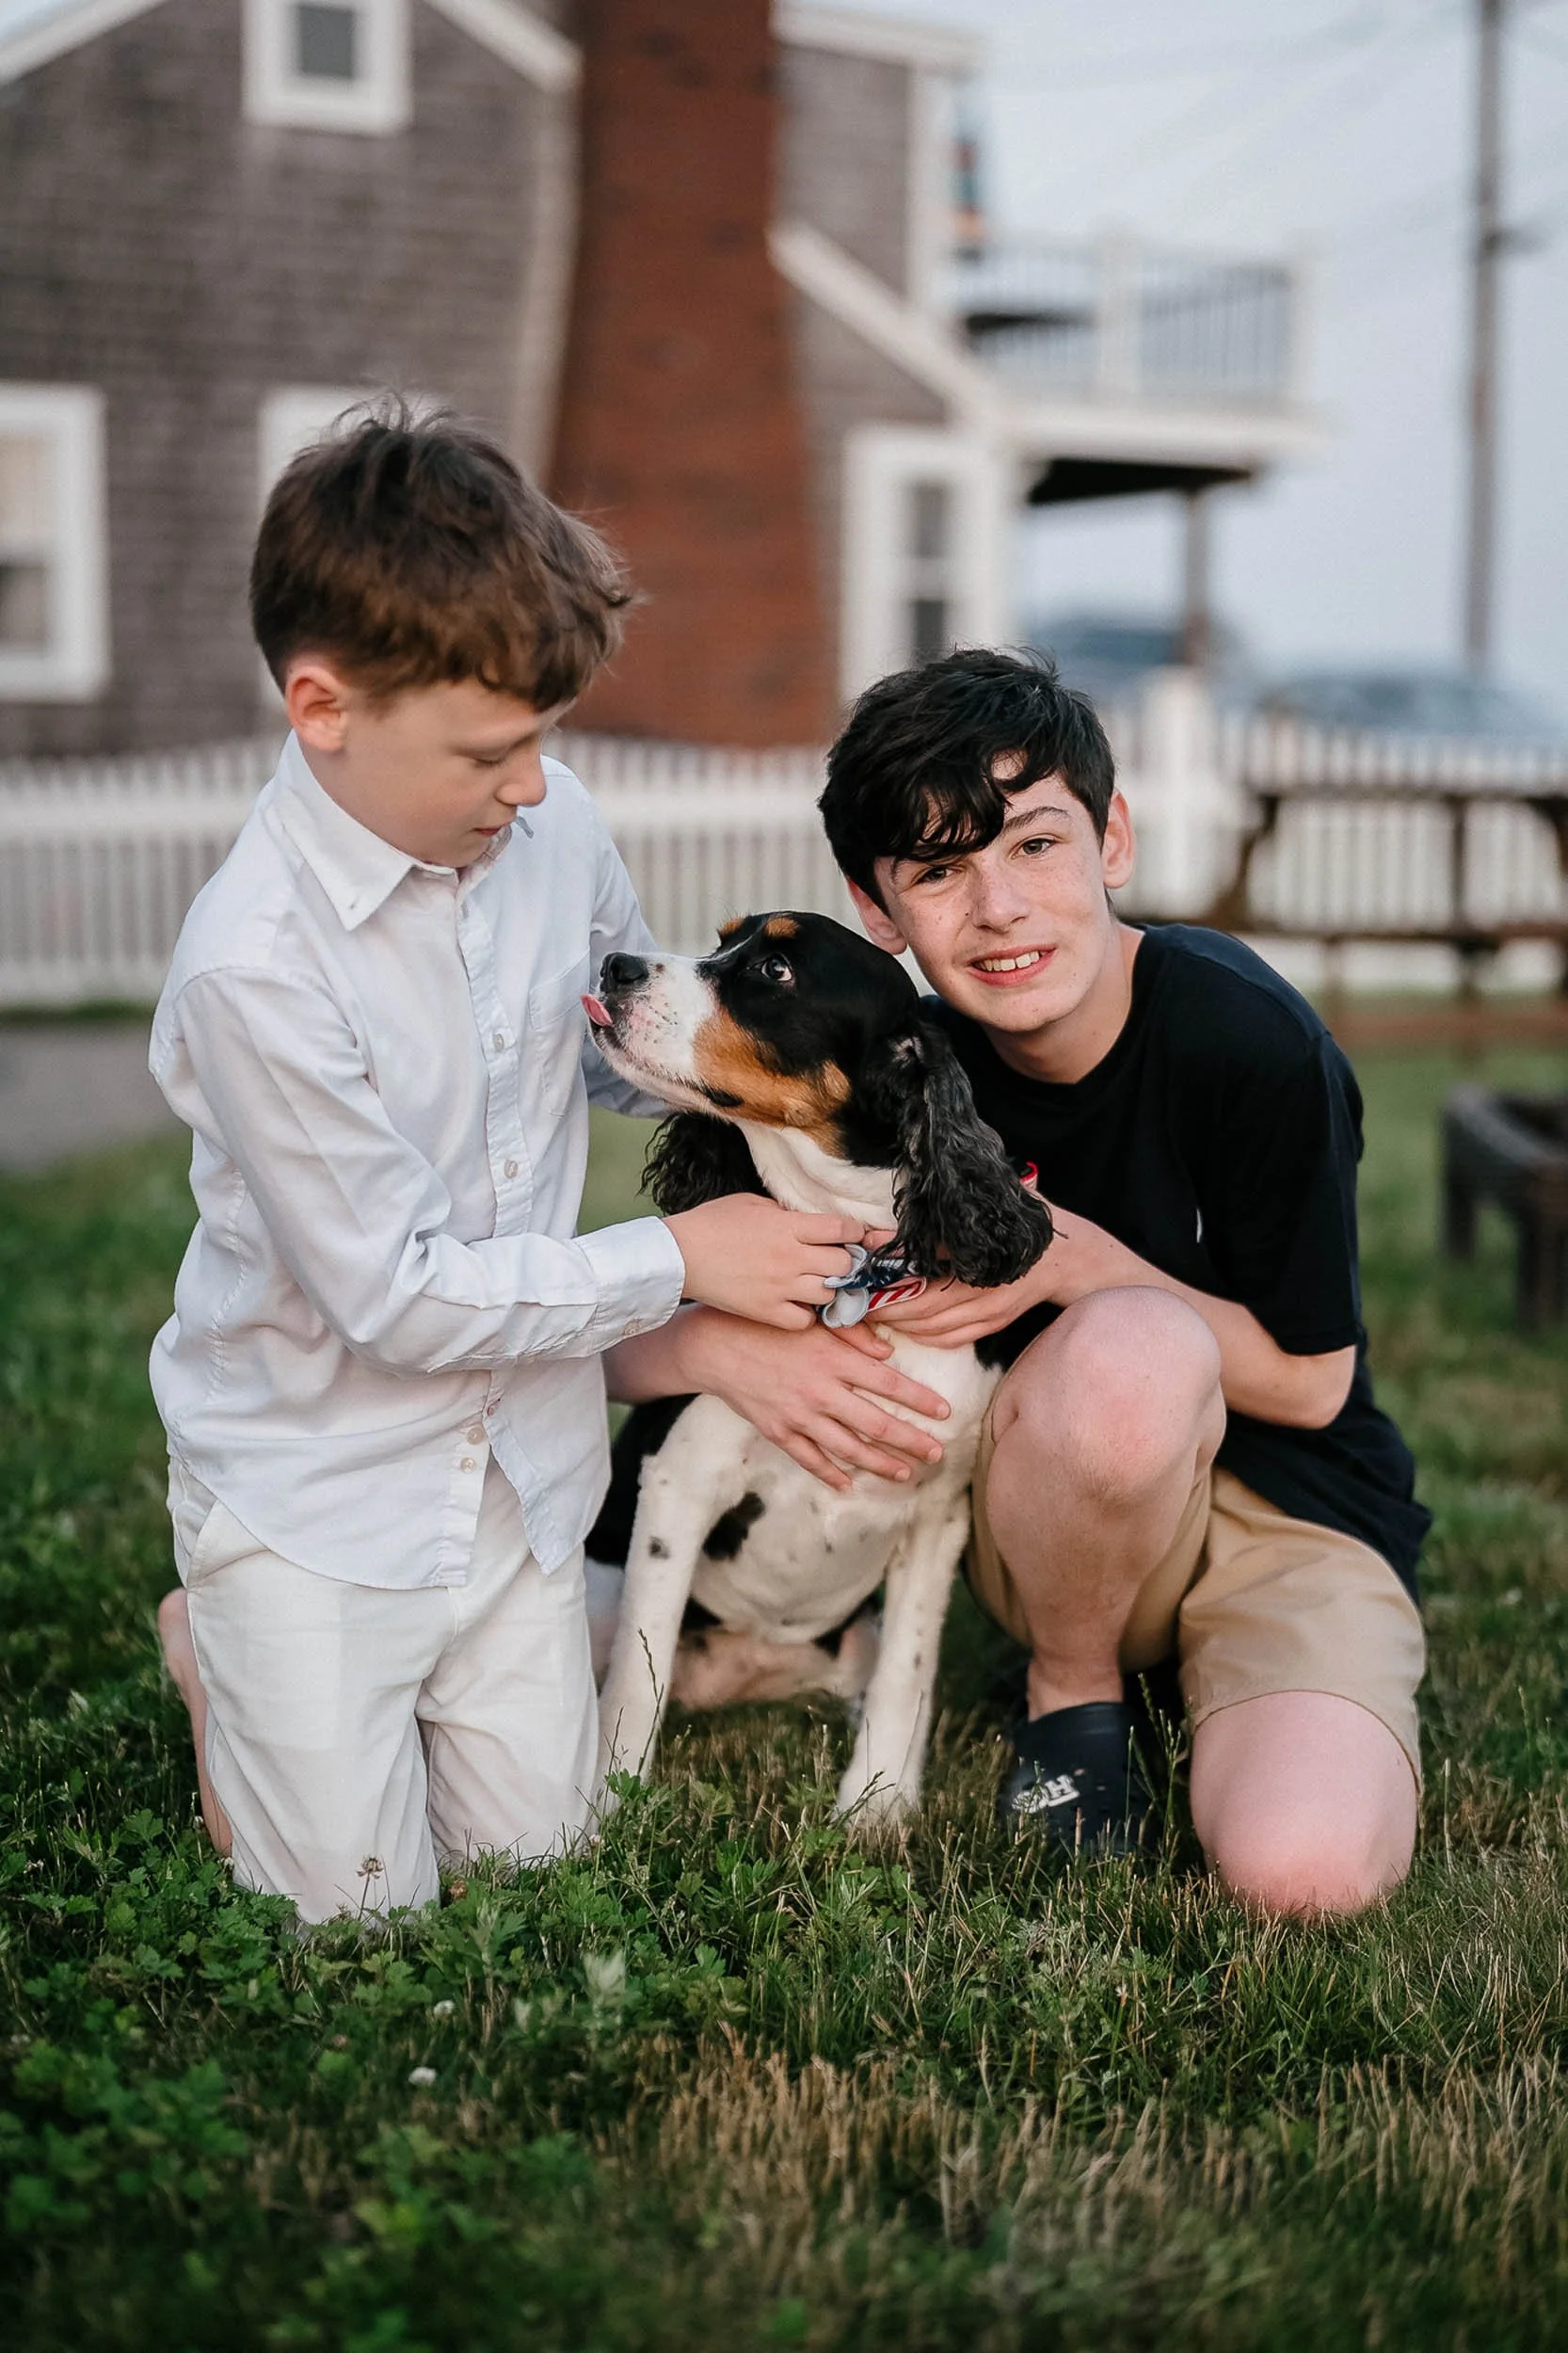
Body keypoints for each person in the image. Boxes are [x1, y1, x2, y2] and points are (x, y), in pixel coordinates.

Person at [151, 404, 927, 1925]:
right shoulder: (256, 971)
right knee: (361, 1914)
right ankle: (226, 1646)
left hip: (522, 1485)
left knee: (536, 1868)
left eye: (544, 741)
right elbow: (397, 1299)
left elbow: (607, 1044)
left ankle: (441, 1680)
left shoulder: (550, 825)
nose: (530, 784)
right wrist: (683, 1268)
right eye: (493, 751)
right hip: (324, 1496)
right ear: (323, 709)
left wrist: (812, 1099)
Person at [803, 647, 1429, 1918]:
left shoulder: (1246, 1038)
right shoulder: (906, 1072)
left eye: (1033, 845)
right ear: (880, 914)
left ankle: (1257, 1682)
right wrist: (703, 1349)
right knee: (1126, 1360)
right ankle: (1071, 1697)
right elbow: (760, 1293)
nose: (998, 909)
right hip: (1062, 1502)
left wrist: (1068, 1259)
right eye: (937, 871)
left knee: (1300, 1873)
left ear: (1111, 839)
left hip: (1287, 1509)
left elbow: (1313, 1388)